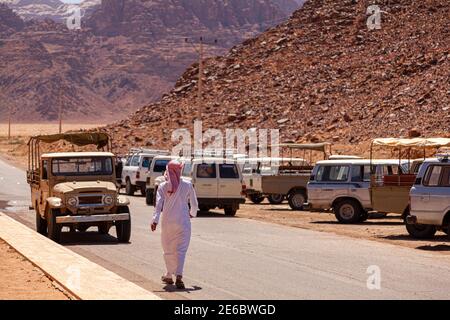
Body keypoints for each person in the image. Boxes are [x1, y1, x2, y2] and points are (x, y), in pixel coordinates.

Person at [151, 160, 198, 289]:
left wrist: (155, 220)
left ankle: (169, 275)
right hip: (183, 222)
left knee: (168, 250)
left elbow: (158, 205)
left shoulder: (163, 186)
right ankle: (178, 276)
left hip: (167, 223)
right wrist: (192, 214)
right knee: (181, 250)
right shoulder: (188, 185)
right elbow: (194, 205)